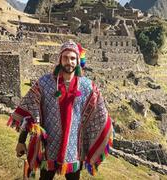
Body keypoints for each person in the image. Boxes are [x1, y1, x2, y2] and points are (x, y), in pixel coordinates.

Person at [7, 40, 113, 180]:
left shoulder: (88, 87)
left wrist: (107, 132)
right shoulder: (44, 84)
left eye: (73, 58)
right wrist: (21, 141)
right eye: (65, 58)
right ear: (60, 59)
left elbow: (99, 115)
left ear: (77, 61)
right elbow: (30, 113)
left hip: (73, 149)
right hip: (49, 147)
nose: (69, 62)